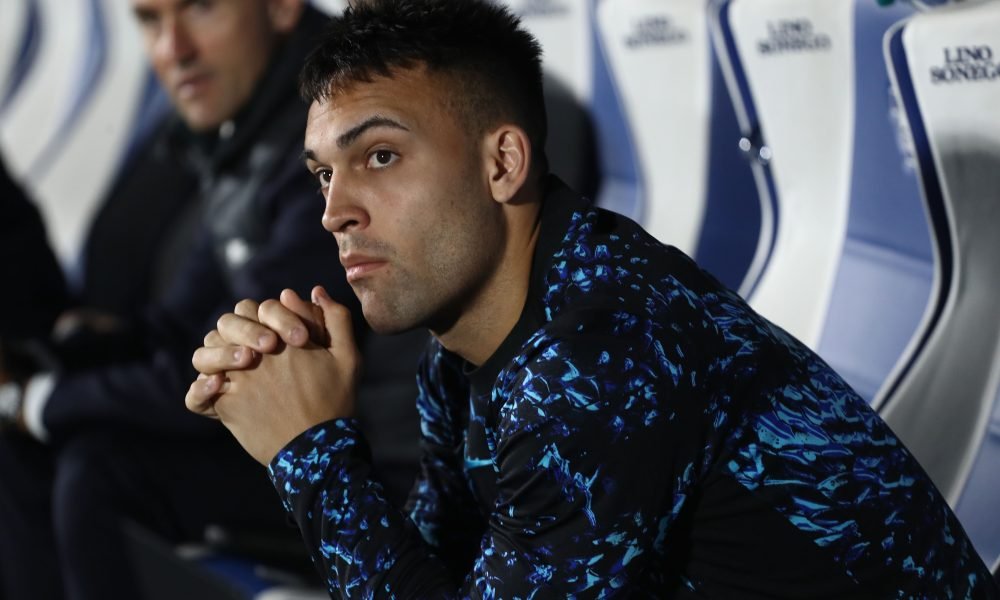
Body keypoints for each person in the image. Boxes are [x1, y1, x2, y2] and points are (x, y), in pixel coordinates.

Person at [185, 0, 999, 597]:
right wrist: (303, 419)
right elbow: (439, 571)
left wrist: (311, 452)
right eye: (323, 173)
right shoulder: (464, 349)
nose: (335, 211)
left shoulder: (601, 354)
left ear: (503, 163)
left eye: (381, 157)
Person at [0, 1, 412, 598]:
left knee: (97, 466)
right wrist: (59, 357)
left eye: (202, 8)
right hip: (307, 452)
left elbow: (233, 372)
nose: (175, 50)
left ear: (281, 7)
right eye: (150, 21)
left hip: (389, 479)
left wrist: (35, 401)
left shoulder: (330, 130)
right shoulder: (248, 133)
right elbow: (182, 331)